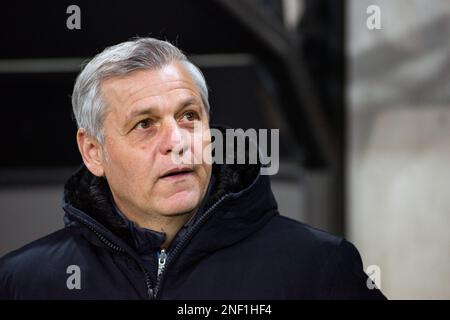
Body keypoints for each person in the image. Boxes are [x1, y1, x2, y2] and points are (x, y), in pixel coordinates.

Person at [0, 38, 385, 299]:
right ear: (93, 151)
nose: (178, 141)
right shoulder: (23, 283)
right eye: (145, 124)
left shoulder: (318, 267)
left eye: (188, 116)